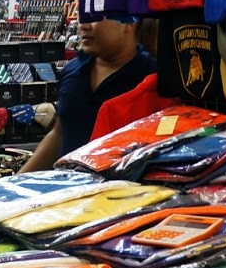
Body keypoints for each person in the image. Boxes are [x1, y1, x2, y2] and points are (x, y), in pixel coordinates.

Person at [20, 15, 157, 172]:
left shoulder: (153, 77)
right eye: (83, 16)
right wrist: (14, 183)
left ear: (129, 22)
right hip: (69, 189)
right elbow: (60, 132)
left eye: (95, 17)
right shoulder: (73, 70)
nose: (83, 25)